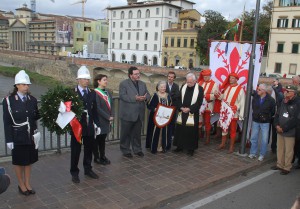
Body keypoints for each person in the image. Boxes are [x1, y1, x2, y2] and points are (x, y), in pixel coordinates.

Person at [3, 70, 39, 195]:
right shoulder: (9, 101)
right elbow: (7, 121)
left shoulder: (33, 100)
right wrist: (9, 139)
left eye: (27, 84)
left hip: (31, 136)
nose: (26, 87)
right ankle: (21, 184)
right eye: (24, 84)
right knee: (19, 161)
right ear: (17, 85)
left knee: (29, 161)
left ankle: (27, 183)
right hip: (18, 135)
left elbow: (35, 116)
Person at [70, 66, 101, 183]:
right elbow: (67, 111)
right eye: (84, 79)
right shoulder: (72, 92)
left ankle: (88, 169)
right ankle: (74, 172)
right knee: (75, 150)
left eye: (87, 79)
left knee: (89, 148)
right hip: (77, 126)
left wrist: (97, 124)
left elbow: (94, 110)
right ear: (78, 80)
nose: (86, 81)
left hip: (89, 125)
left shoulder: (92, 93)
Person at [119, 66, 150, 158]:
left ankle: (137, 149)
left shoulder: (142, 84)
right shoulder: (123, 84)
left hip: (139, 114)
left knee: (137, 134)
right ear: (130, 75)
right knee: (126, 133)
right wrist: (135, 98)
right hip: (127, 113)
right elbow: (122, 96)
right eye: (136, 74)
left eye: (138, 73)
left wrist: (145, 98)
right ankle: (125, 150)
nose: (138, 75)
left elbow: (148, 94)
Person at [173, 73, 204, 156]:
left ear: (195, 81)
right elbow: (178, 98)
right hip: (182, 111)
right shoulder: (183, 87)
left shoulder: (200, 89)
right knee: (180, 129)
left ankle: (191, 148)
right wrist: (181, 107)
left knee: (191, 131)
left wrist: (190, 109)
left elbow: (199, 102)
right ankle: (179, 146)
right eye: (187, 82)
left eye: (190, 82)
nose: (189, 84)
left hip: (192, 113)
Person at [271, 85, 300, 175]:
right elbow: (277, 114)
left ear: (294, 93)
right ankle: (280, 164)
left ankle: (287, 167)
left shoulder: (297, 103)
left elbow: (295, 119)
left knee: (288, 150)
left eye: (289, 91)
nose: (286, 92)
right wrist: (277, 125)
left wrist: (284, 128)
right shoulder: (284, 101)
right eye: (286, 91)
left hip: (289, 131)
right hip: (280, 129)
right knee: (280, 148)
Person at [215, 73, 245, 153]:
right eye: (230, 78)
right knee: (224, 128)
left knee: (232, 130)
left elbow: (242, 102)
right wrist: (219, 95)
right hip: (225, 113)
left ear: (236, 79)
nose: (230, 79)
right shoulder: (227, 87)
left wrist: (237, 107)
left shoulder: (240, 89)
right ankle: (223, 144)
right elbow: (224, 99)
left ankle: (231, 146)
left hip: (233, 113)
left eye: (232, 78)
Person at [248, 84, 276, 161]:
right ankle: (253, 153)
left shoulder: (271, 100)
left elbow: (273, 112)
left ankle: (262, 154)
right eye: (257, 89)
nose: (257, 90)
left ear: (264, 91)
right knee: (253, 138)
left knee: (264, 139)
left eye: (259, 90)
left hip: (265, 122)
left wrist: (266, 117)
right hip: (256, 120)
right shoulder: (256, 97)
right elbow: (253, 106)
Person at [146, 81, 172, 154]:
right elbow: (149, 105)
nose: (163, 88)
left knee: (164, 132)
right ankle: (155, 147)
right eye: (161, 87)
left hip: (165, 118)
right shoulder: (155, 95)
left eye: (164, 87)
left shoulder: (168, 95)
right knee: (156, 131)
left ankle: (163, 147)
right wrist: (154, 109)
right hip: (155, 117)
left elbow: (170, 105)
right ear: (158, 87)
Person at [93, 74, 114, 165]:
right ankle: (96, 157)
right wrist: (107, 116)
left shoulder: (108, 92)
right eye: (104, 80)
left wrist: (112, 115)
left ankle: (103, 156)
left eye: (106, 79)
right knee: (97, 140)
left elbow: (111, 105)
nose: (106, 81)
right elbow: (97, 108)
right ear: (98, 81)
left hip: (107, 120)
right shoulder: (95, 93)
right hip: (99, 120)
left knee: (103, 140)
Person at [198, 69, 218, 145]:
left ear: (210, 76)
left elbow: (215, 95)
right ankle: (199, 135)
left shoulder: (214, 84)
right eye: (204, 76)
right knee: (199, 120)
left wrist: (205, 96)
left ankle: (207, 138)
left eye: (206, 76)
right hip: (200, 106)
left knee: (207, 122)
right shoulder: (200, 83)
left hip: (208, 106)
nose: (205, 78)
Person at [166, 71, 180, 138]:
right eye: (169, 76)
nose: (170, 78)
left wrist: (168, 95)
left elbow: (177, 95)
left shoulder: (176, 86)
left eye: (171, 77)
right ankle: (165, 133)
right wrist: (172, 95)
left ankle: (171, 135)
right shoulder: (164, 84)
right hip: (165, 106)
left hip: (173, 106)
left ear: (174, 78)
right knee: (165, 120)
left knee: (172, 121)